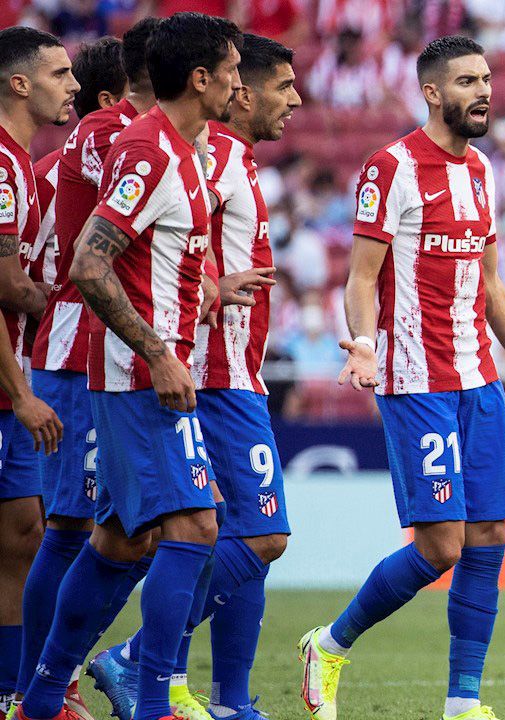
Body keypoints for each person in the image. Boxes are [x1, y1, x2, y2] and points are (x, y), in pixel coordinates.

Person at [296, 35, 505, 720]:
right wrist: (362, 343)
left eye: (486, 79)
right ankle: (328, 645)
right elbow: (361, 277)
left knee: (489, 538)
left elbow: (492, 285)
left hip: (479, 379)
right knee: (441, 545)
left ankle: (463, 702)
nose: (483, 91)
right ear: (432, 92)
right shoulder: (389, 168)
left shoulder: (481, 171)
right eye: (467, 81)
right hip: (415, 381)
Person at [15, 13, 243, 720]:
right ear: (200, 78)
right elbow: (89, 262)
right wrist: (156, 351)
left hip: (145, 370)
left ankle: (42, 696)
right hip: (139, 377)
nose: (241, 82)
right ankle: (151, 704)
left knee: (121, 537)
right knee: (196, 529)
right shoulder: (147, 150)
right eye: (233, 70)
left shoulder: (176, 148)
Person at [90, 33, 300, 720]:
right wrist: (209, 286)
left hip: (236, 369)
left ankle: (225, 698)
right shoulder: (210, 159)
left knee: (234, 536)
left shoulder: (233, 160)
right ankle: (137, 659)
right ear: (241, 91)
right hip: (210, 371)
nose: (292, 100)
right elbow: (161, 239)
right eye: (280, 86)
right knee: (259, 534)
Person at [17, 21, 150, 720]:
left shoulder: (88, 143)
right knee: (70, 528)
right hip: (74, 348)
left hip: (96, 346)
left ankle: (53, 679)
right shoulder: (107, 131)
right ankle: (41, 687)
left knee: (108, 528)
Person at [0, 25, 76, 718]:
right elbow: (1, 287)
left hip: (10, 385)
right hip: (6, 388)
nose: (72, 84)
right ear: (19, 83)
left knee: (24, 534)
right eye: (59, 73)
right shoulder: (0, 165)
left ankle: (15, 690)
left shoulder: (21, 164)